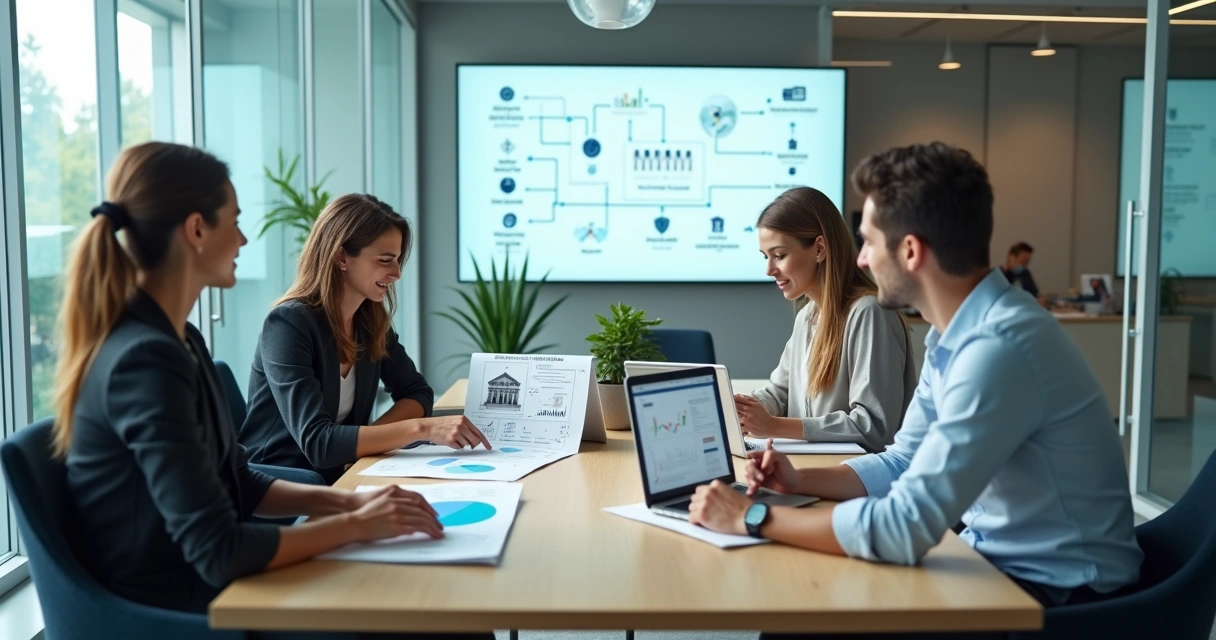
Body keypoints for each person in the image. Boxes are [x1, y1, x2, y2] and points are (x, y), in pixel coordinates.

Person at [690, 143, 1142, 630]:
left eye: (867, 241)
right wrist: (801, 481)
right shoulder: (956, 334)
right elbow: (903, 461)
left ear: (910, 250)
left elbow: (903, 527)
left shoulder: (998, 349)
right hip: (996, 563)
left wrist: (752, 518)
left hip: (1060, 598)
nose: (859, 258)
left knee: (811, 615)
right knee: (805, 606)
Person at [52, 143, 469, 633]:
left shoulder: (180, 340)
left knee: (439, 603)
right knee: (431, 613)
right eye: (235, 221)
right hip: (180, 603)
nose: (245, 239)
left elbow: (238, 480)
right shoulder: (145, 359)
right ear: (196, 230)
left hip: (210, 576)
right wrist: (357, 523)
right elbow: (218, 550)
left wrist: (351, 502)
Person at [240, 194, 489, 484]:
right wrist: (422, 429)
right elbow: (318, 443)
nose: (396, 273)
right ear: (342, 256)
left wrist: (363, 444)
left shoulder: (369, 321)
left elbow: (417, 392)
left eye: (397, 261)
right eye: (385, 260)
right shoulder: (288, 324)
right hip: (285, 483)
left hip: (344, 473)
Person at [736, 186, 916, 452]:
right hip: (816, 467)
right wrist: (737, 407)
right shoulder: (807, 316)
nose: (769, 270)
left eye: (779, 255)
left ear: (819, 248)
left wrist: (774, 426)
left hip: (857, 478)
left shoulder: (869, 313)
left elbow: (874, 427)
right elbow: (780, 394)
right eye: (766, 257)